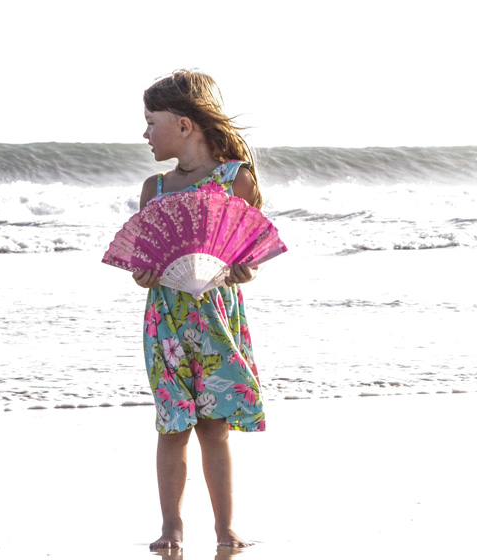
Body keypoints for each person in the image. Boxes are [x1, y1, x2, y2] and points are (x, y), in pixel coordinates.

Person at [131, 69, 265, 551]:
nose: (145, 133)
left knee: (213, 426)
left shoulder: (236, 180)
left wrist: (245, 270)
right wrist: (143, 274)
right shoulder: (155, 189)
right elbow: (142, 260)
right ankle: (172, 526)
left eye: (152, 122)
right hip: (166, 319)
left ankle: (224, 528)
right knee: (173, 423)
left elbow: (248, 253)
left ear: (184, 125)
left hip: (215, 318)